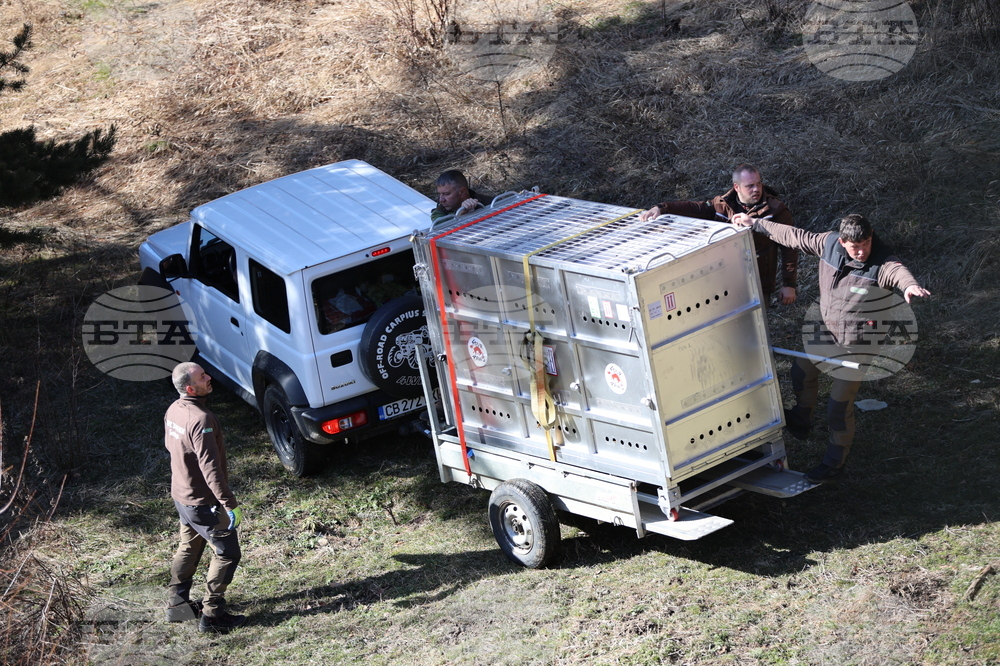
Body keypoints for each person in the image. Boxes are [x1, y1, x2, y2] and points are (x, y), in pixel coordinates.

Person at [730, 213, 931, 484]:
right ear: (843, 241)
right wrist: (756, 224)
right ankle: (801, 419)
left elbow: (897, 271)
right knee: (801, 369)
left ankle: (834, 463)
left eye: (867, 243)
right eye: (855, 246)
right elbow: (794, 235)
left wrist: (910, 285)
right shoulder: (829, 243)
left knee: (838, 405)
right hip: (826, 330)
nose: (862, 251)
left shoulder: (882, 262)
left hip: (859, 344)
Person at [639, 164, 798, 307]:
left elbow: (789, 247)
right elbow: (695, 208)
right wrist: (662, 208)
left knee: (757, 326)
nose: (756, 189)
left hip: (759, 281)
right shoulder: (722, 205)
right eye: (749, 186)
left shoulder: (775, 210)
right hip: (723, 279)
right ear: (737, 187)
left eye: (758, 184)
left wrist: (789, 284)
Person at [164, 362, 246, 634]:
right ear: (190, 388)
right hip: (203, 503)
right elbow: (210, 468)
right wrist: (229, 504)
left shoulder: (174, 409)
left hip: (182, 497)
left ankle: (177, 606)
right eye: (202, 377)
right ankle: (212, 616)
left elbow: (170, 446)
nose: (209, 377)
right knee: (227, 553)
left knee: (189, 546)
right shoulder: (201, 420)